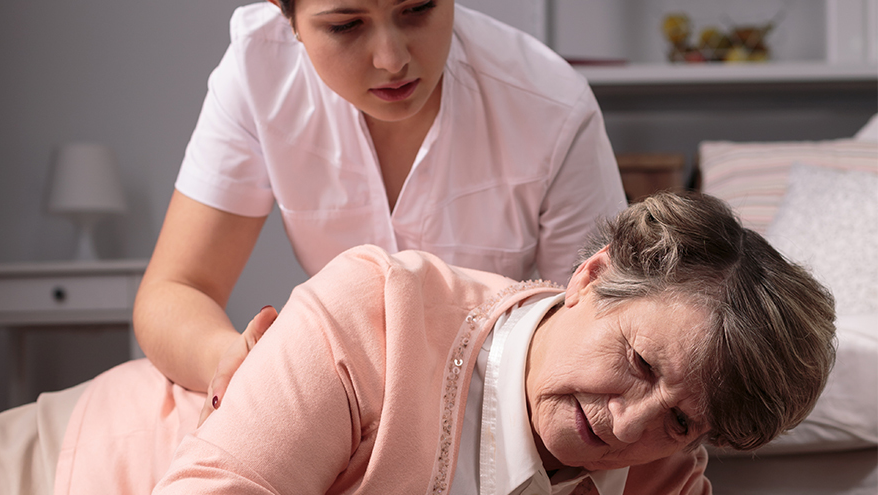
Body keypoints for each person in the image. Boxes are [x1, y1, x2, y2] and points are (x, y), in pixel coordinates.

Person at [45, 192, 833, 494]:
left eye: (683, 420)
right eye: (638, 363)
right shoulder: (377, 310)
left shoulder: (663, 470)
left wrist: (677, 429)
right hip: (81, 457)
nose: (632, 427)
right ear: (592, 276)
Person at [132, 0, 626, 414]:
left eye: (417, 9)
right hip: (331, 401)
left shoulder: (550, 103)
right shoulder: (258, 70)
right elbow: (175, 289)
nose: (391, 59)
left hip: (496, 403)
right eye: (345, 25)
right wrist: (235, 360)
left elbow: (601, 322)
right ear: (288, 16)